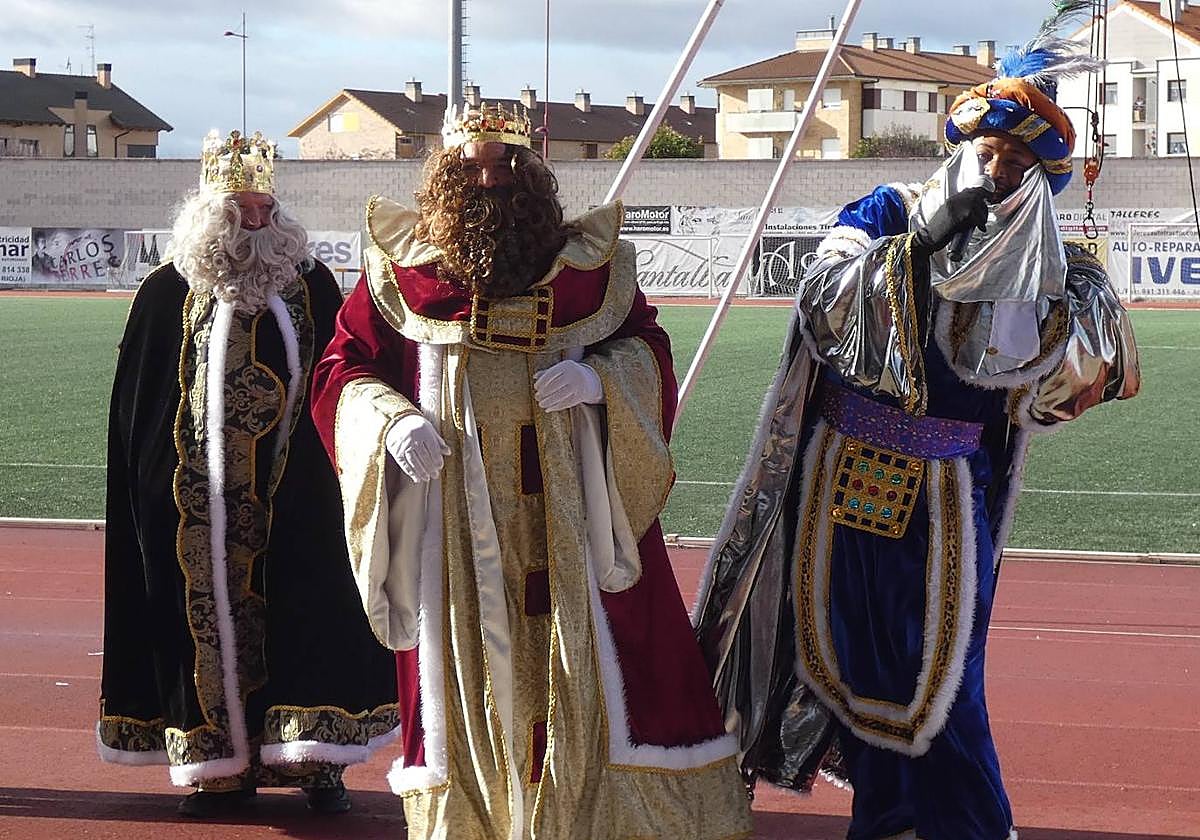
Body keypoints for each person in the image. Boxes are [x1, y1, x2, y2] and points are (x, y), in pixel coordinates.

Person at [693, 23, 1141, 840]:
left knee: (945, 681)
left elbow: (1064, 388)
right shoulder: (888, 211)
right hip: (841, 475)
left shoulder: (1054, 265)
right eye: (989, 151)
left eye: (1019, 162)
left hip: (949, 492)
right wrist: (918, 247)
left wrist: (1066, 298)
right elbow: (821, 297)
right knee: (852, 657)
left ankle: (970, 826)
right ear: (962, 147)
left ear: (1042, 178)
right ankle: (889, 818)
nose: (998, 170)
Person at [310, 103, 752, 839]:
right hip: (456, 518)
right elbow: (342, 368)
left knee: (606, 663)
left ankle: (597, 820)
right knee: (469, 665)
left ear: (531, 175)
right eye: (473, 167)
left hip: (575, 509)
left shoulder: (588, 269)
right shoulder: (403, 271)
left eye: (504, 165)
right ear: (446, 176)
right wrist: (392, 421)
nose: (489, 180)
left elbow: (647, 346)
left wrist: (601, 382)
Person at [98, 129, 399, 818]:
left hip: (301, 491)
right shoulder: (166, 292)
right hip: (197, 500)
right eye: (241, 210)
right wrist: (156, 488)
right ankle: (217, 769)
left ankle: (316, 758)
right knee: (200, 625)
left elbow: (341, 376)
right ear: (211, 211)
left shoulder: (311, 283)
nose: (257, 222)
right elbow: (141, 406)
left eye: (265, 209)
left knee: (313, 613)